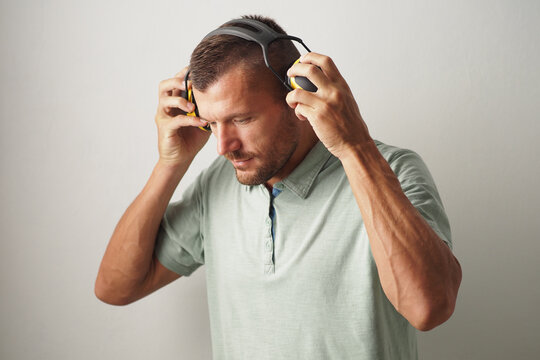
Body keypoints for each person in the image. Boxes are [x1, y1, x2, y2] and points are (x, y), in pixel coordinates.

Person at [95, 15, 462, 360]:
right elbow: (115, 288)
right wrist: (170, 165)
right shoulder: (217, 185)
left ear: (297, 97)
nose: (223, 146)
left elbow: (428, 309)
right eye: (211, 123)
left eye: (241, 119)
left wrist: (356, 148)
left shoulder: (391, 169)